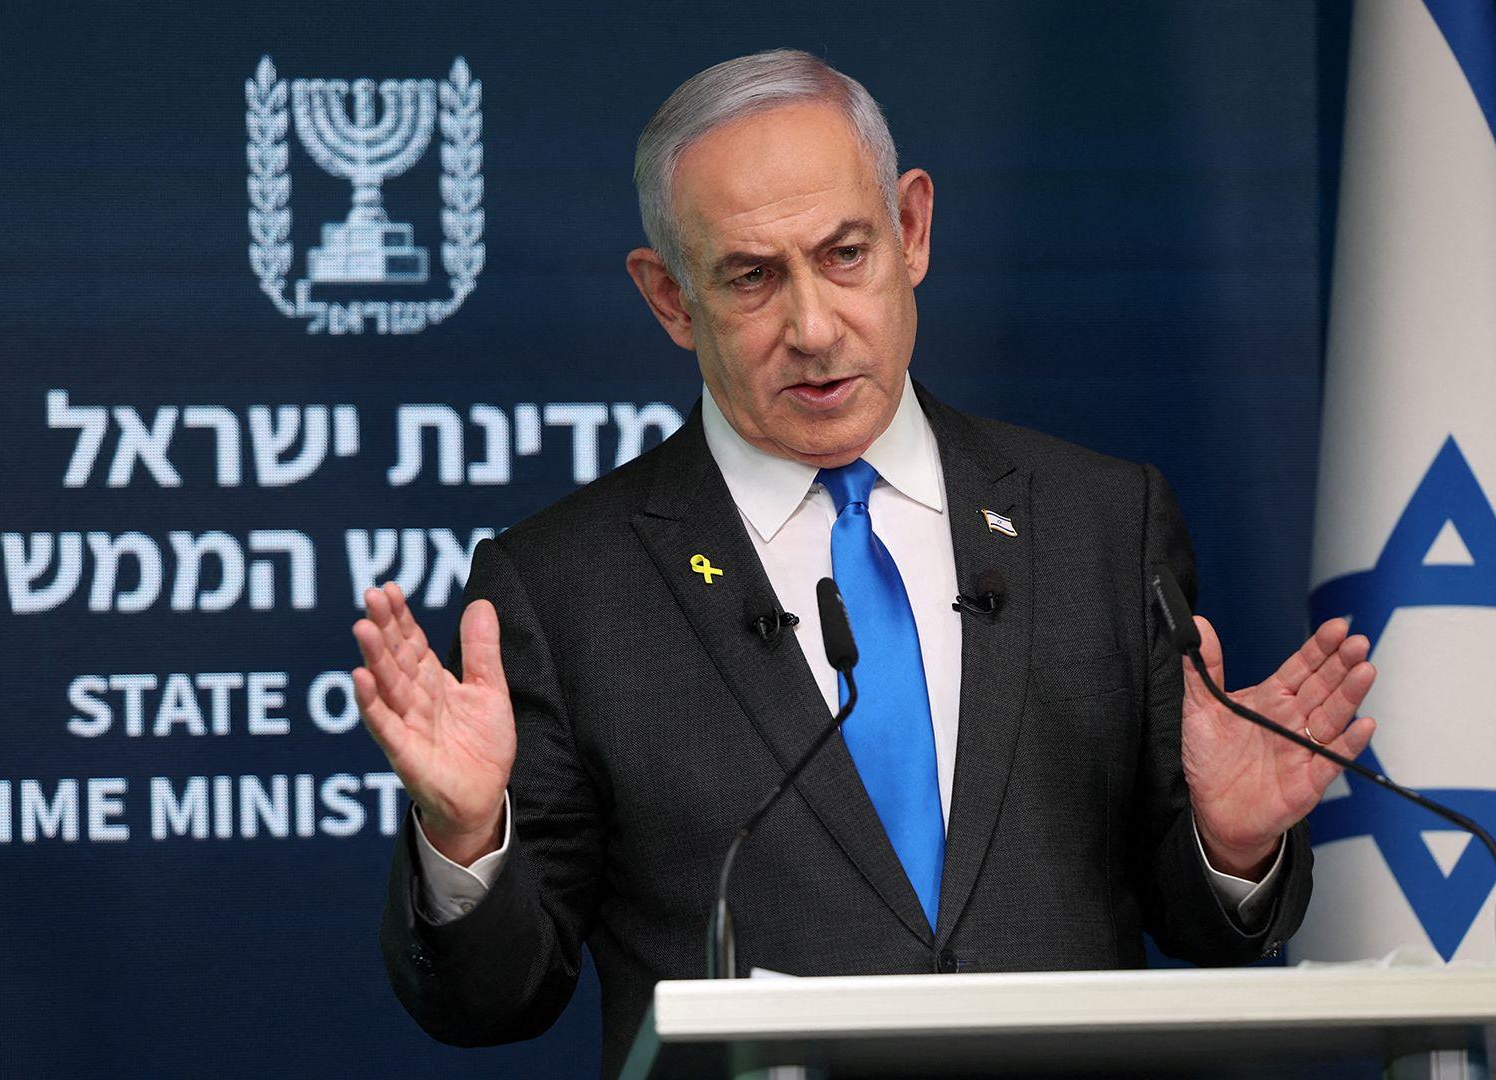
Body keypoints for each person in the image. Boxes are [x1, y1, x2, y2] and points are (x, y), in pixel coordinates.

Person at [353, 49, 1377, 1075]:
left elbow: (1204, 926)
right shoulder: (568, 587)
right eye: (752, 277)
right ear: (669, 297)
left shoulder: (1099, 524)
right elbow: (496, 998)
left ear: (912, 229)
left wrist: (1229, 846)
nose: (813, 326)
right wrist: (467, 836)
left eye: (845, 254)